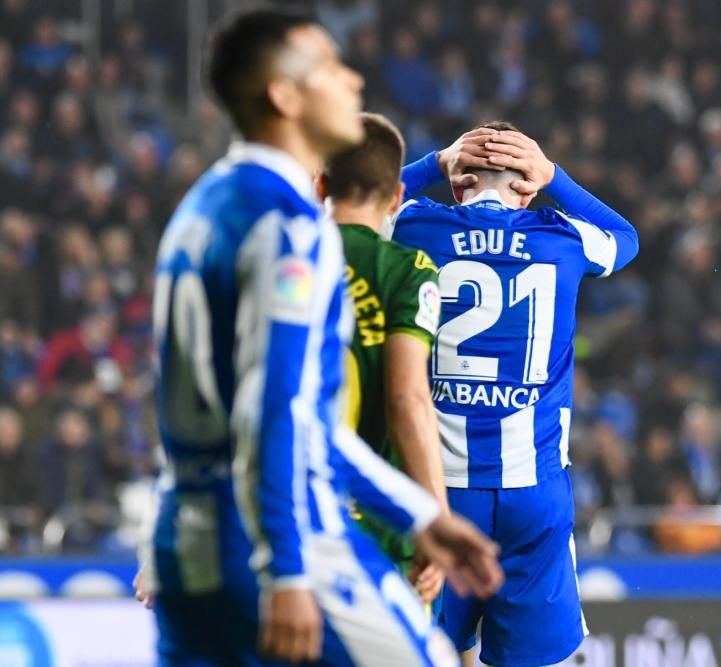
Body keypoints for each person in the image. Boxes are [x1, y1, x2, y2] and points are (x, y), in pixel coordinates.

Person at [142, 9, 501, 666]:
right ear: (284, 96)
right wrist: (286, 569)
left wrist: (419, 514)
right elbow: (274, 410)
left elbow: (279, 411)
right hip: (275, 537)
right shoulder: (291, 228)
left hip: (182, 535)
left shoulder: (201, 208)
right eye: (331, 68)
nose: (353, 80)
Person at [387, 122, 640, 666]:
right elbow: (626, 238)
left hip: (440, 493)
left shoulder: (415, 225)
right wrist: (556, 176)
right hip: (534, 491)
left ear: (460, 184)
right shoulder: (562, 237)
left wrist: (434, 162)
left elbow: (339, 208)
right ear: (526, 189)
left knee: (425, 654)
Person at [314, 112, 448, 604]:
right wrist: (437, 519)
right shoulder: (407, 271)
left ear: (320, 182)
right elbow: (407, 397)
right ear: (396, 198)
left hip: (286, 533)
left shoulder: (273, 259)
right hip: (381, 541)